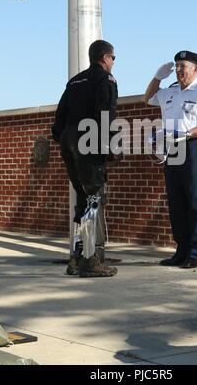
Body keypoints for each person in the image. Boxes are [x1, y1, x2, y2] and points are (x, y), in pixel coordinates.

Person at [144, 50, 197, 269]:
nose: (178, 70)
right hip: (172, 148)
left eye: (182, 66)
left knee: (195, 200)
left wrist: (187, 134)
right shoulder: (170, 91)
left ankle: (195, 253)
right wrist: (157, 77)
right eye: (176, 66)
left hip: (195, 146)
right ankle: (181, 250)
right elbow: (147, 98)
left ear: (195, 69)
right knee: (176, 201)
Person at [52, 40, 118, 277]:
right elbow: (106, 112)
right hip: (89, 140)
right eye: (113, 58)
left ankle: (76, 259)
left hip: (69, 140)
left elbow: (59, 117)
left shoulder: (74, 81)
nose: (113, 63)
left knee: (82, 200)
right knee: (92, 200)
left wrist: (64, 138)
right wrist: (108, 144)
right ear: (104, 57)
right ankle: (90, 262)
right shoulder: (105, 79)